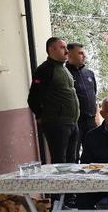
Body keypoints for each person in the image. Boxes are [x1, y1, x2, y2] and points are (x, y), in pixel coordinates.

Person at [27, 36, 79, 164]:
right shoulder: (45, 70)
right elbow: (33, 97)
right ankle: (61, 185)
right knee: (60, 162)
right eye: (62, 48)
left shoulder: (64, 68)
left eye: (66, 47)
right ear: (52, 50)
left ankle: (72, 184)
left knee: (73, 160)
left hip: (72, 122)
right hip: (57, 124)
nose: (67, 51)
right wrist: (40, 115)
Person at [65, 42, 98, 159]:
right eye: (80, 53)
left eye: (84, 53)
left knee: (94, 152)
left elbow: (94, 94)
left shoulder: (89, 74)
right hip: (75, 122)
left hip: (91, 121)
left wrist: (96, 117)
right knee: (73, 154)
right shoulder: (65, 74)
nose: (84, 55)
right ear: (69, 54)